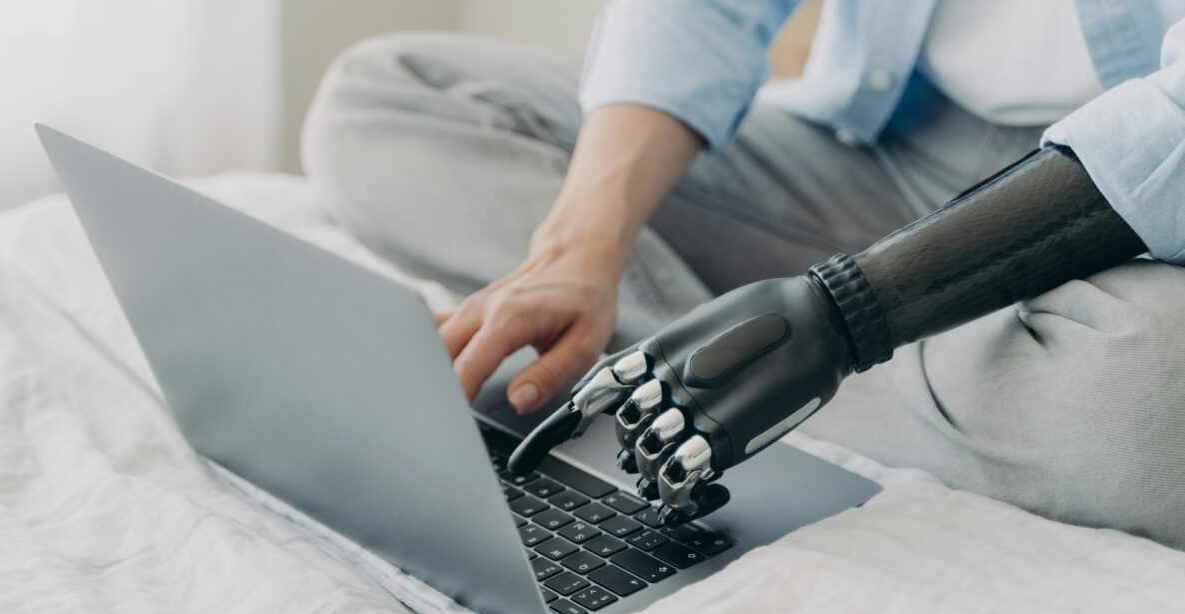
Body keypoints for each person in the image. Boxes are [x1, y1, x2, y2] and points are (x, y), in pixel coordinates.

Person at [301, 1, 1185, 547]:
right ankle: (706, 371)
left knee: (1155, 394)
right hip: (878, 149)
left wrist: (848, 313)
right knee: (389, 95)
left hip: (1131, 205)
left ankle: (768, 368)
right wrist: (582, 244)